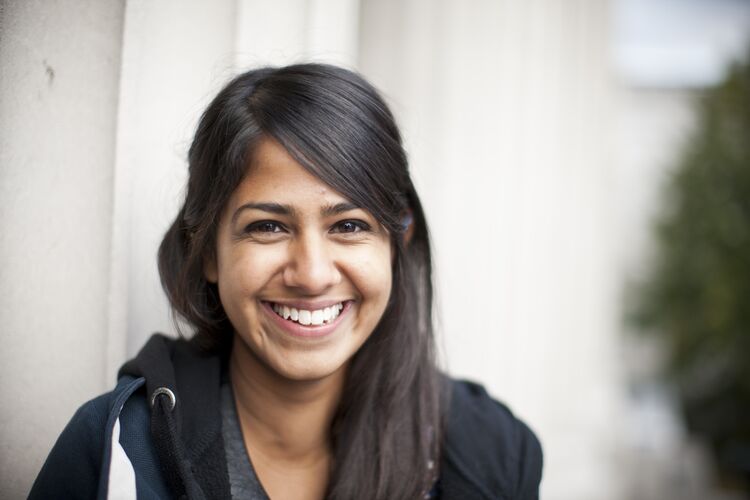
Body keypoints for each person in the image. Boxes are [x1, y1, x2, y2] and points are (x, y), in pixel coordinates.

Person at [29, 63, 542, 499]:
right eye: (268, 226)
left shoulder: (490, 452)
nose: (313, 274)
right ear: (208, 250)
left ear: (397, 242)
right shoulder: (116, 453)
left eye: (349, 226)